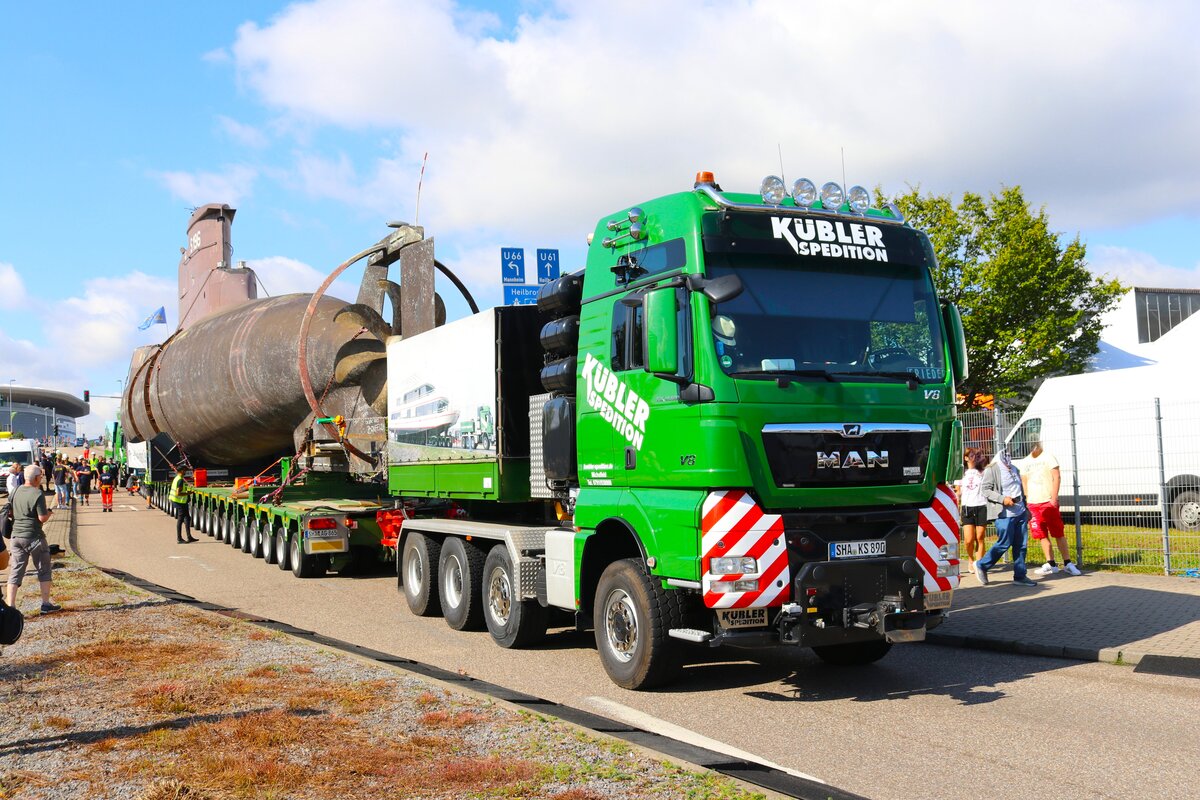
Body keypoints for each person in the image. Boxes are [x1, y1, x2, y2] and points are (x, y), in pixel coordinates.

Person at [1019, 437, 1082, 576]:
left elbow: (1056, 477)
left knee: (1058, 532)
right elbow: (1024, 483)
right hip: (1033, 504)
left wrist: (1053, 498)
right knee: (1041, 534)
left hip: (1048, 501)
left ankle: (1067, 563)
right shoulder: (1025, 462)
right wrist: (1027, 501)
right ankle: (1051, 564)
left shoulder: (1048, 457)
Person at [975, 451, 1038, 587]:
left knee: (1021, 545)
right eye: (1006, 456)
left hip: (1020, 512)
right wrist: (1002, 499)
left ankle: (1020, 576)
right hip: (1004, 514)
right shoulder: (992, 470)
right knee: (1004, 543)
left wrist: (1026, 508)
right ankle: (982, 565)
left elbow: (1019, 489)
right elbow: (985, 490)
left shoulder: (1015, 469)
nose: (1008, 458)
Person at [4, 465, 60, 613]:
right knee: (44, 569)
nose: (41, 478)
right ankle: (46, 604)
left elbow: (9, 512)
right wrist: (48, 513)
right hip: (34, 538)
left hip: (16, 537)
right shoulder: (37, 494)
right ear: (36, 478)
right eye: (40, 476)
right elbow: (42, 518)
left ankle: (11, 606)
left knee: (16, 570)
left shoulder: (15, 491)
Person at [955, 448, 989, 573]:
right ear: (965, 458)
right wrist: (957, 503)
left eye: (975, 455)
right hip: (967, 507)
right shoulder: (961, 473)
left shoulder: (983, 472)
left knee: (980, 537)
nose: (973, 457)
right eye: (970, 455)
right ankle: (970, 559)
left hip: (981, 505)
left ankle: (979, 564)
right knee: (969, 539)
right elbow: (957, 491)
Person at [169, 465, 197, 543]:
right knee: (180, 520)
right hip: (179, 502)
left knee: (187, 518)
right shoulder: (180, 480)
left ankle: (189, 536)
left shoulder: (177, 478)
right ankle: (179, 538)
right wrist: (188, 493)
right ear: (181, 471)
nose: (186, 472)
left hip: (181, 502)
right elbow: (178, 493)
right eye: (185, 470)